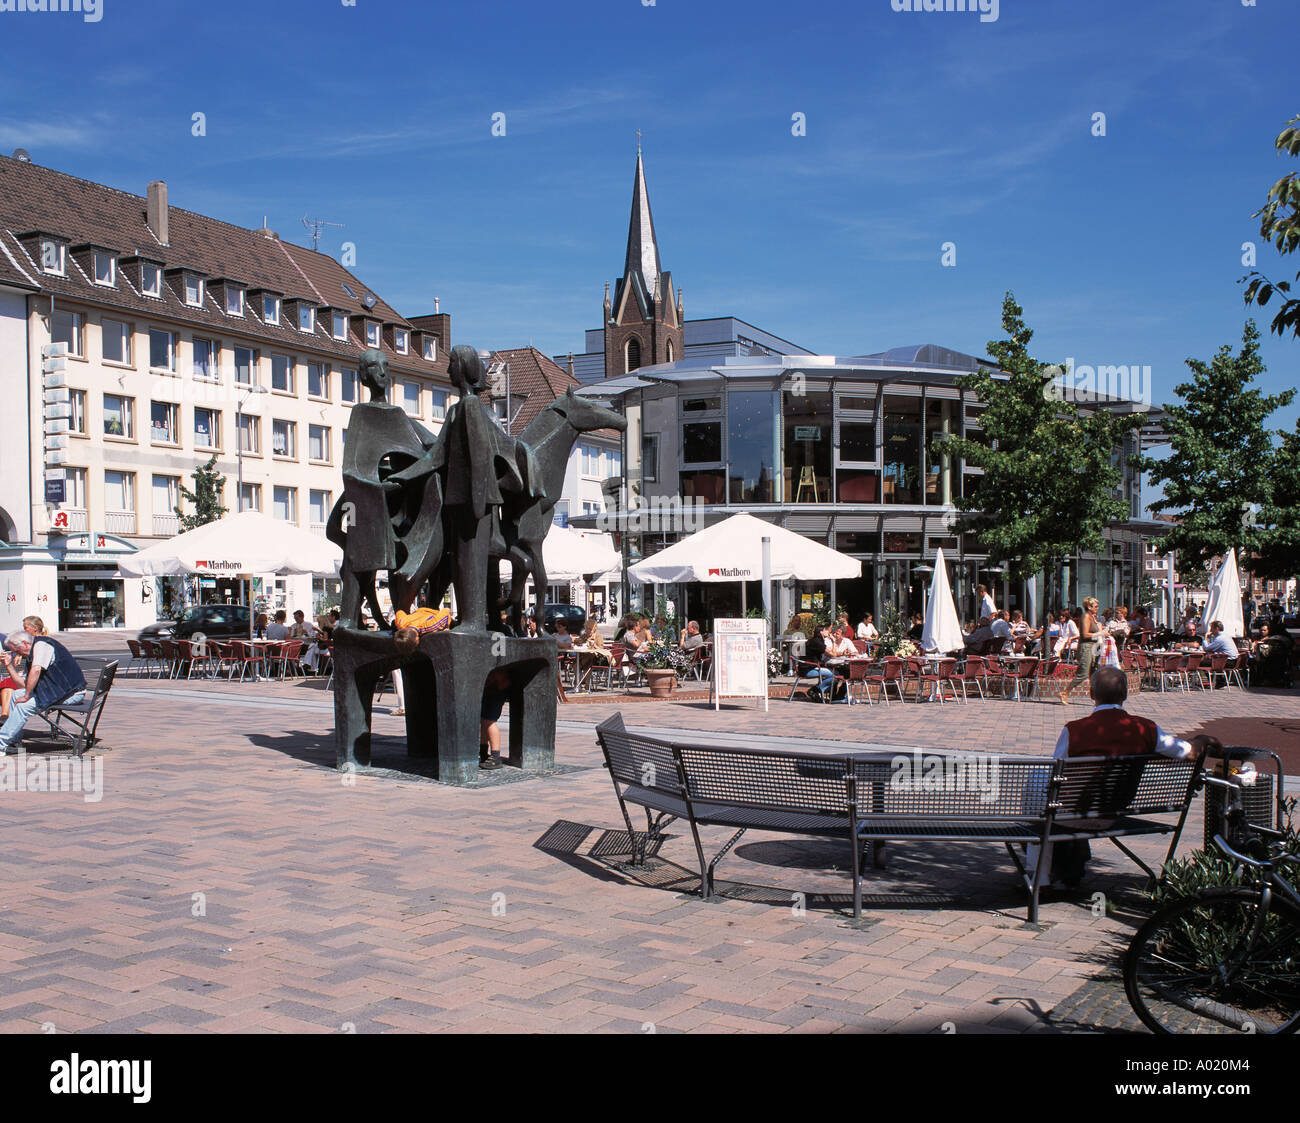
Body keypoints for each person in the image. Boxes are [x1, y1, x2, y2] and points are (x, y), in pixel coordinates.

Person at [1034, 666, 1219, 887]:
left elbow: (1057, 771)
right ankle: (1066, 871)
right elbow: (1188, 752)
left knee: (1038, 779)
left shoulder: (1074, 729)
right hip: (1115, 809)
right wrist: (1203, 739)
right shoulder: (1144, 728)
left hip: (1073, 813)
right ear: (1125, 695)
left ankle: (1039, 877)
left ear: (1092, 694)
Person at [0, 629, 87, 755]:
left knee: (23, 707)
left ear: (25, 643)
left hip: (71, 693)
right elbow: (23, 684)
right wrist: (8, 666)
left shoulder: (42, 646)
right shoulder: (32, 652)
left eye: (17, 651)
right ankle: (14, 741)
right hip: (56, 690)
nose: (18, 655)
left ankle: (1, 743)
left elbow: (35, 671)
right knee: (15, 695)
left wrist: (27, 695)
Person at [1059, 598, 1100, 704]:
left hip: (1094, 647)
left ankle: (1095, 698)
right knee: (1083, 674)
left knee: (1093, 674)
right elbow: (1084, 634)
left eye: (1097, 606)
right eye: (1095, 606)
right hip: (1086, 647)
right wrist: (1101, 634)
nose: (1097, 608)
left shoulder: (1093, 617)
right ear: (1089, 607)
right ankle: (1065, 692)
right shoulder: (1086, 616)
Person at [479, 668, 511, 770]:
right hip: (491, 686)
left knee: (489, 721)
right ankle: (483, 752)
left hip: (496, 687)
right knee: (484, 720)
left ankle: (496, 757)